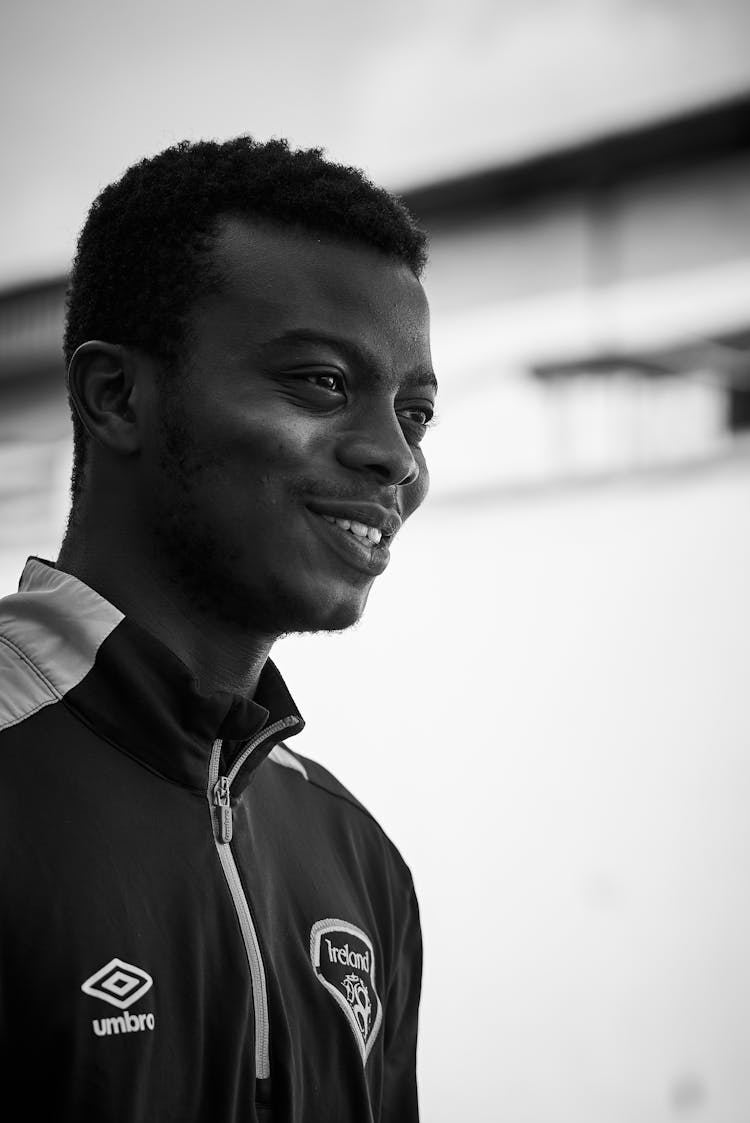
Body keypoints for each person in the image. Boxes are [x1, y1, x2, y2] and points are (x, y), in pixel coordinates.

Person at [0, 137, 437, 1122]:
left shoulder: (358, 855)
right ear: (117, 397)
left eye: (416, 415)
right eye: (323, 381)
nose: (394, 459)